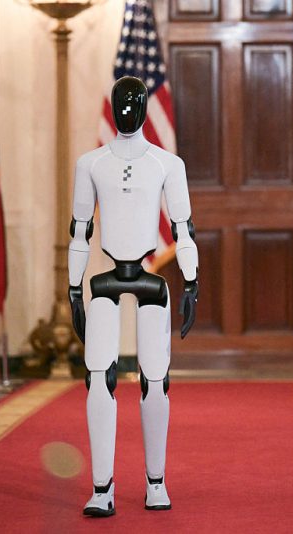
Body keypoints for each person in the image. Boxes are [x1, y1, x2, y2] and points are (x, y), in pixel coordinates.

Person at [68, 76, 199, 517]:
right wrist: (72, 289)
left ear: (145, 104)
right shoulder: (91, 163)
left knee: (155, 380)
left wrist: (191, 282)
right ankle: (101, 486)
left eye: (134, 101)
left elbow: (183, 228)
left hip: (149, 281)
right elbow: (80, 229)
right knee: (98, 378)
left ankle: (155, 481)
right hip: (105, 278)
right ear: (112, 105)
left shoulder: (167, 163)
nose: (127, 109)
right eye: (120, 101)